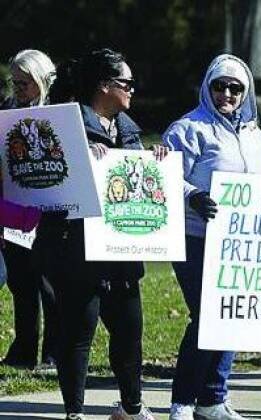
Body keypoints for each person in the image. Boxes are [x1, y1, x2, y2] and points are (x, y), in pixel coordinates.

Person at [163, 54, 261, 420]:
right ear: (207, 87)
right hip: (195, 235)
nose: (226, 93)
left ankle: (213, 399)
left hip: (240, 242)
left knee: (232, 315)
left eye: (235, 88)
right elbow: (165, 177)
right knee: (206, 316)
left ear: (246, 92)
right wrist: (193, 194)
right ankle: (183, 401)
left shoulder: (254, 134)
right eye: (219, 86)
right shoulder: (188, 128)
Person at [36, 48, 160, 420]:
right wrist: (79, 156)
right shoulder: (67, 127)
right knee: (78, 333)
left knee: (129, 332)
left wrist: (155, 162)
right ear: (105, 86)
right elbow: (47, 178)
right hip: (76, 249)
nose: (132, 91)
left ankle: (131, 408)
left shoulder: (129, 130)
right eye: (127, 83)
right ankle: (75, 412)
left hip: (122, 251)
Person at [0, 49, 59, 371]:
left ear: (41, 81)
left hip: (50, 209)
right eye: (15, 81)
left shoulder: (59, 111)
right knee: (21, 283)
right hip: (15, 208)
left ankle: (53, 353)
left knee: (50, 286)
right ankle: (23, 352)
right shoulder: (7, 110)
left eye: (25, 82)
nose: (18, 88)